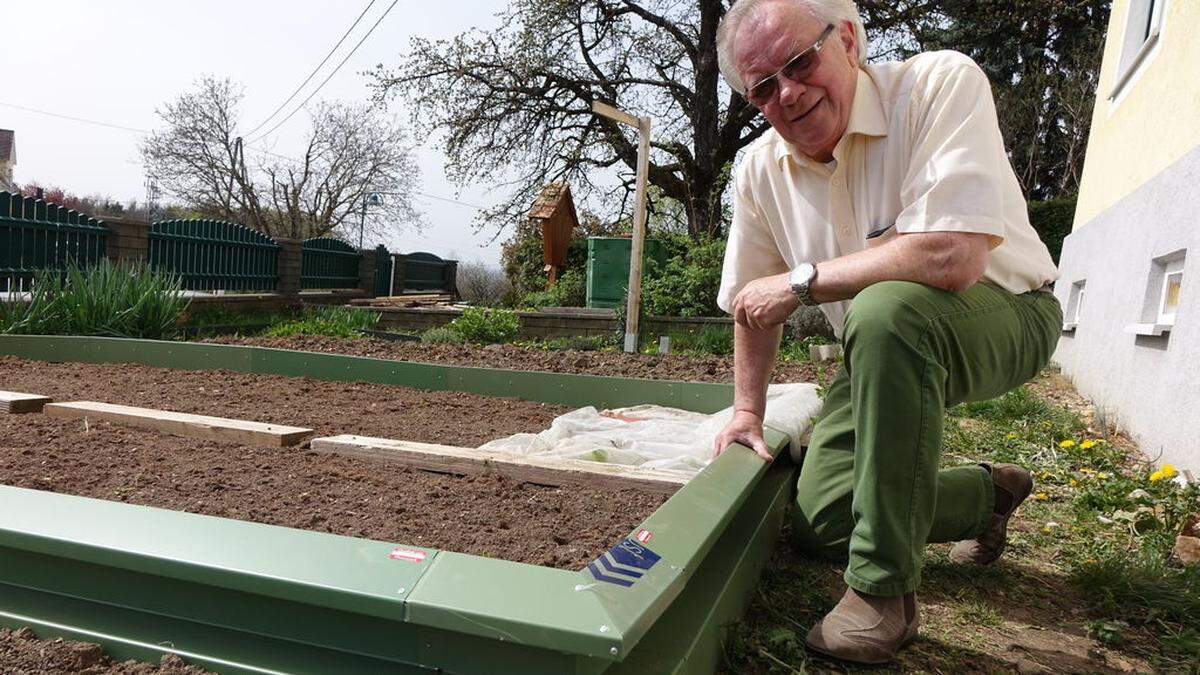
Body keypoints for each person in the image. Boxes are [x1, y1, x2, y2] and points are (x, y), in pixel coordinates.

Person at [710, 0, 1061, 664]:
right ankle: (987, 495)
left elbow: (952, 254)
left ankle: (882, 594)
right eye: (763, 86)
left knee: (885, 308)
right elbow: (752, 304)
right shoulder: (760, 172)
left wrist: (802, 280)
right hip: (877, 344)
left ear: (846, 39)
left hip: (1011, 308)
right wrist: (748, 411)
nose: (787, 93)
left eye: (799, 62)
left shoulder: (935, 86)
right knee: (821, 516)